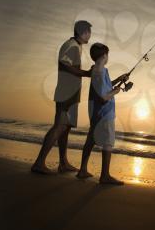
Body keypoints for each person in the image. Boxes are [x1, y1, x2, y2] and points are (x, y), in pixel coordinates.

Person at [31, 20, 92, 174]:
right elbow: (64, 64)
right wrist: (86, 73)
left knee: (65, 128)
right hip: (67, 92)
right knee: (60, 126)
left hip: (71, 92)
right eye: (88, 32)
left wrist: (84, 73)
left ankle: (63, 163)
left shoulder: (76, 47)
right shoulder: (71, 46)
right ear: (82, 32)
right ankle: (39, 163)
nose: (90, 35)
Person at [77, 42, 129, 185]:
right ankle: (104, 176)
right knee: (108, 142)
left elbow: (105, 86)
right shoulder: (99, 72)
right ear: (104, 55)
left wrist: (119, 79)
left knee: (91, 139)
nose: (108, 57)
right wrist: (116, 91)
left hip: (96, 112)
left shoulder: (99, 70)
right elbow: (103, 97)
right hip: (103, 112)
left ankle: (82, 170)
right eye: (107, 54)